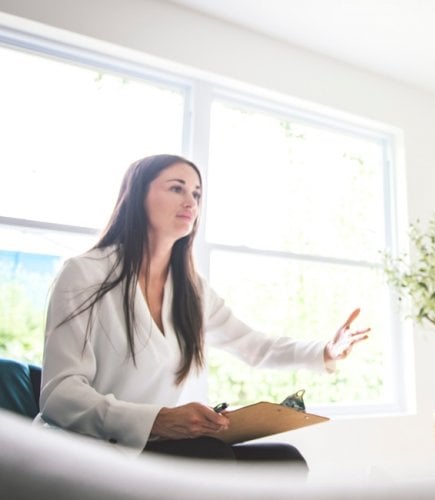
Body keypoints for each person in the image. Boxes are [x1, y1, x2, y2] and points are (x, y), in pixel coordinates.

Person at [35, 154, 370, 469]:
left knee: (284, 461)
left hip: (153, 443)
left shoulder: (192, 290)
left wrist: (326, 351)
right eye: (176, 188)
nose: (190, 202)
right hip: (86, 449)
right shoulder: (85, 273)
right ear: (137, 197)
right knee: (209, 455)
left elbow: (255, 346)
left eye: (196, 194)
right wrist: (158, 419)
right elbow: (60, 395)